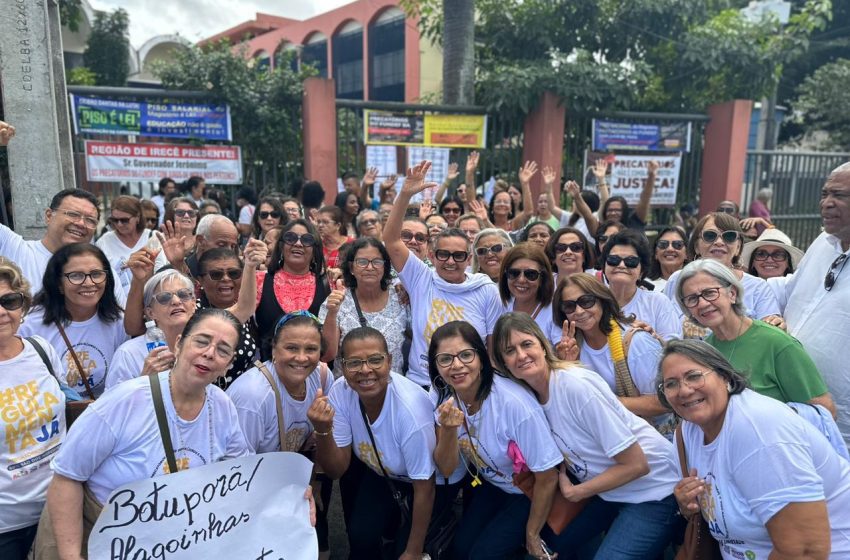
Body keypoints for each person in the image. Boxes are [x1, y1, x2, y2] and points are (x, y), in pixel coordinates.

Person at [41, 309, 260, 558]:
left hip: (173, 545)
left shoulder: (223, 406)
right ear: (178, 345)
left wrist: (291, 497)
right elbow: (67, 477)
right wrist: (71, 556)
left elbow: (241, 477)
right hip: (102, 544)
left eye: (223, 350)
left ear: (229, 365)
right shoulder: (125, 400)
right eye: (202, 341)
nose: (209, 353)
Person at [492, 313, 681, 558]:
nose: (521, 355)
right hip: (609, 491)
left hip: (655, 490)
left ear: (542, 344)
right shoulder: (529, 399)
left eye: (527, 344)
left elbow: (637, 464)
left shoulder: (575, 386)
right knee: (544, 551)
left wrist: (576, 492)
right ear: (502, 362)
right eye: (510, 350)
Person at [658, 340, 850, 559]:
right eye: (671, 384)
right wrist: (688, 504)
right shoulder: (688, 433)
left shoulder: (758, 429)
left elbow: (805, 550)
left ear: (725, 377)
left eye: (694, 376)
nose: (684, 390)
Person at [428, 321, 561, 559]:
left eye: (466, 355)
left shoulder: (513, 403)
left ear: (481, 357)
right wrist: (448, 430)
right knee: (460, 548)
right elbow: (447, 468)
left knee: (482, 555)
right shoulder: (444, 397)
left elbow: (548, 476)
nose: (457, 365)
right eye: (445, 359)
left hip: (528, 492)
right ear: (436, 366)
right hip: (494, 485)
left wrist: (532, 533)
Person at [308, 327, 437, 560]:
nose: (365, 370)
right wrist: (323, 430)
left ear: (389, 361)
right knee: (361, 538)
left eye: (375, 360)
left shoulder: (410, 413)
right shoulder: (341, 391)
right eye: (354, 363)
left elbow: (425, 487)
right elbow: (337, 469)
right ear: (343, 366)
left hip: (422, 483)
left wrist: (413, 551)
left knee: (405, 550)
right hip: (383, 473)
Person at [384, 161, 503, 388]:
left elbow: (493, 349)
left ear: (469, 260)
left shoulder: (486, 289)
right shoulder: (421, 277)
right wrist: (405, 194)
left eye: (458, 256)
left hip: (470, 386)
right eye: (443, 254)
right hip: (422, 383)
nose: (450, 261)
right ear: (431, 254)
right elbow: (391, 239)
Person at [227, 311, 333, 557]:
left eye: (311, 349)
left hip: (291, 478)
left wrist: (314, 482)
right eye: (291, 347)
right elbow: (238, 473)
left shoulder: (321, 377)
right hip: (251, 489)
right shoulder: (253, 397)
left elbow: (317, 443)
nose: (301, 357)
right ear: (274, 348)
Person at [676, 258, 837, 417]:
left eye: (710, 293)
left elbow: (825, 412)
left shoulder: (777, 343)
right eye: (692, 299)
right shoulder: (705, 352)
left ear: (732, 293)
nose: (702, 303)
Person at [553, 273, 675, 438]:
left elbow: (666, 401)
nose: (579, 311)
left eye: (587, 301)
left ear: (602, 300)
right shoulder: (571, 347)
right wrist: (568, 367)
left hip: (652, 437)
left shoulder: (636, 342)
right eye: (569, 306)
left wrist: (608, 402)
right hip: (606, 436)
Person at [0, 258, 66, 560]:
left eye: (9, 300)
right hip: (6, 528)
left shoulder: (41, 349)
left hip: (59, 509)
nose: (2, 312)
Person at [779, 163, 850, 444]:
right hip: (794, 404)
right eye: (824, 194)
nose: (826, 203)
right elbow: (789, 291)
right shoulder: (823, 242)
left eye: (839, 195)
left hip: (840, 420)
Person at [20, 244, 127, 399]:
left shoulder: (119, 321)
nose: (89, 283)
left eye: (96, 274)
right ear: (58, 284)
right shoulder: (29, 325)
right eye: (76, 275)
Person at [663, 211, 782, 329]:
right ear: (696, 246)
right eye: (710, 236)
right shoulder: (677, 279)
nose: (719, 242)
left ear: (738, 247)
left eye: (729, 237)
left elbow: (769, 332)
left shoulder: (759, 288)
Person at [319, 237, 409, 375]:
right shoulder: (337, 301)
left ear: (385, 266)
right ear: (351, 268)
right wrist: (332, 312)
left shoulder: (401, 297)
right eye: (362, 262)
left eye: (377, 262)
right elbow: (327, 355)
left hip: (392, 389)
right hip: (350, 389)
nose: (370, 267)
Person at [0, 189, 106, 295]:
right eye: (73, 214)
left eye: (90, 220)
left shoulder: (100, 274)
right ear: (49, 216)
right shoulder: (14, 248)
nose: (81, 223)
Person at [106, 269, 196, 391]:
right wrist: (145, 380)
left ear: (194, 303)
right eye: (164, 297)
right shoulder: (128, 354)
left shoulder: (207, 347)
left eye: (184, 294)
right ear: (150, 312)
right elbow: (113, 405)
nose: (176, 301)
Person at [254, 219, 330, 360]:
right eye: (291, 238)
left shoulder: (329, 284)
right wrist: (248, 267)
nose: (298, 243)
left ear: (315, 249)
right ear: (281, 246)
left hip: (314, 373)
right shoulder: (259, 280)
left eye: (307, 240)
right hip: (269, 373)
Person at [601, 230, 682, 341]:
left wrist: (654, 339)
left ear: (642, 271)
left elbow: (674, 347)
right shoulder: (593, 302)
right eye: (613, 259)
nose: (621, 265)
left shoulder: (657, 302)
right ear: (604, 267)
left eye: (631, 261)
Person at [498, 244, 560, 345]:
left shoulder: (555, 311)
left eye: (531, 274)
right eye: (514, 273)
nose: (521, 280)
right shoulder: (499, 306)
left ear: (542, 278)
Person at [646, 226, 689, 291]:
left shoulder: (695, 282)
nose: (670, 249)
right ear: (656, 254)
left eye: (678, 244)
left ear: (687, 254)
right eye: (663, 244)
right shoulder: (645, 285)